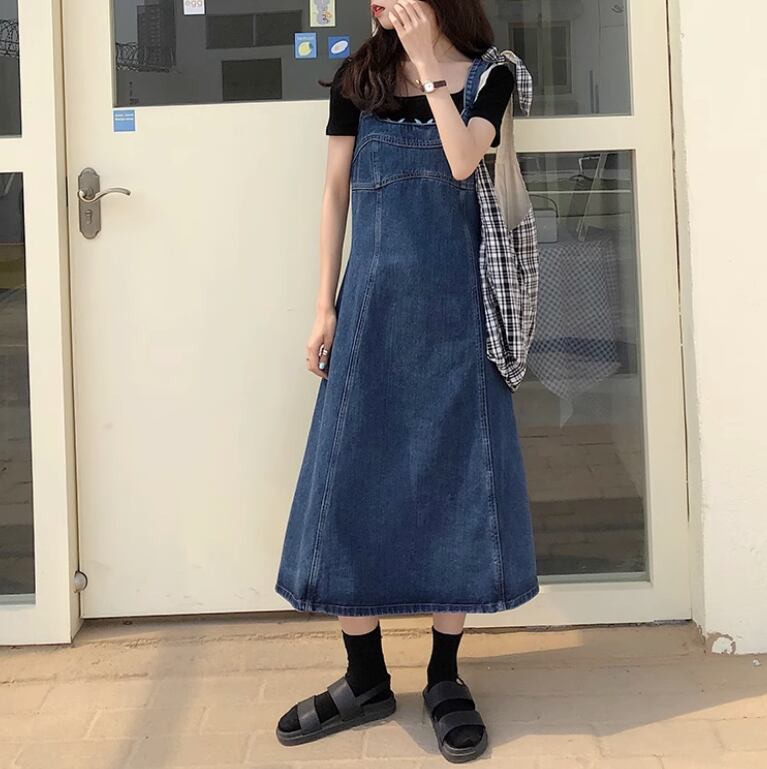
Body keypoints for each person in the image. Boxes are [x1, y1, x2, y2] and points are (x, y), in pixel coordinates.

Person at [274, 0, 540, 761]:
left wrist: (427, 67)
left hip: (462, 318)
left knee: (460, 486)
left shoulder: (492, 76)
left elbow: (461, 159)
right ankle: (364, 677)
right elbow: (335, 192)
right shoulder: (357, 78)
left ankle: (444, 676)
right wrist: (323, 306)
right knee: (350, 481)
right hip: (371, 311)